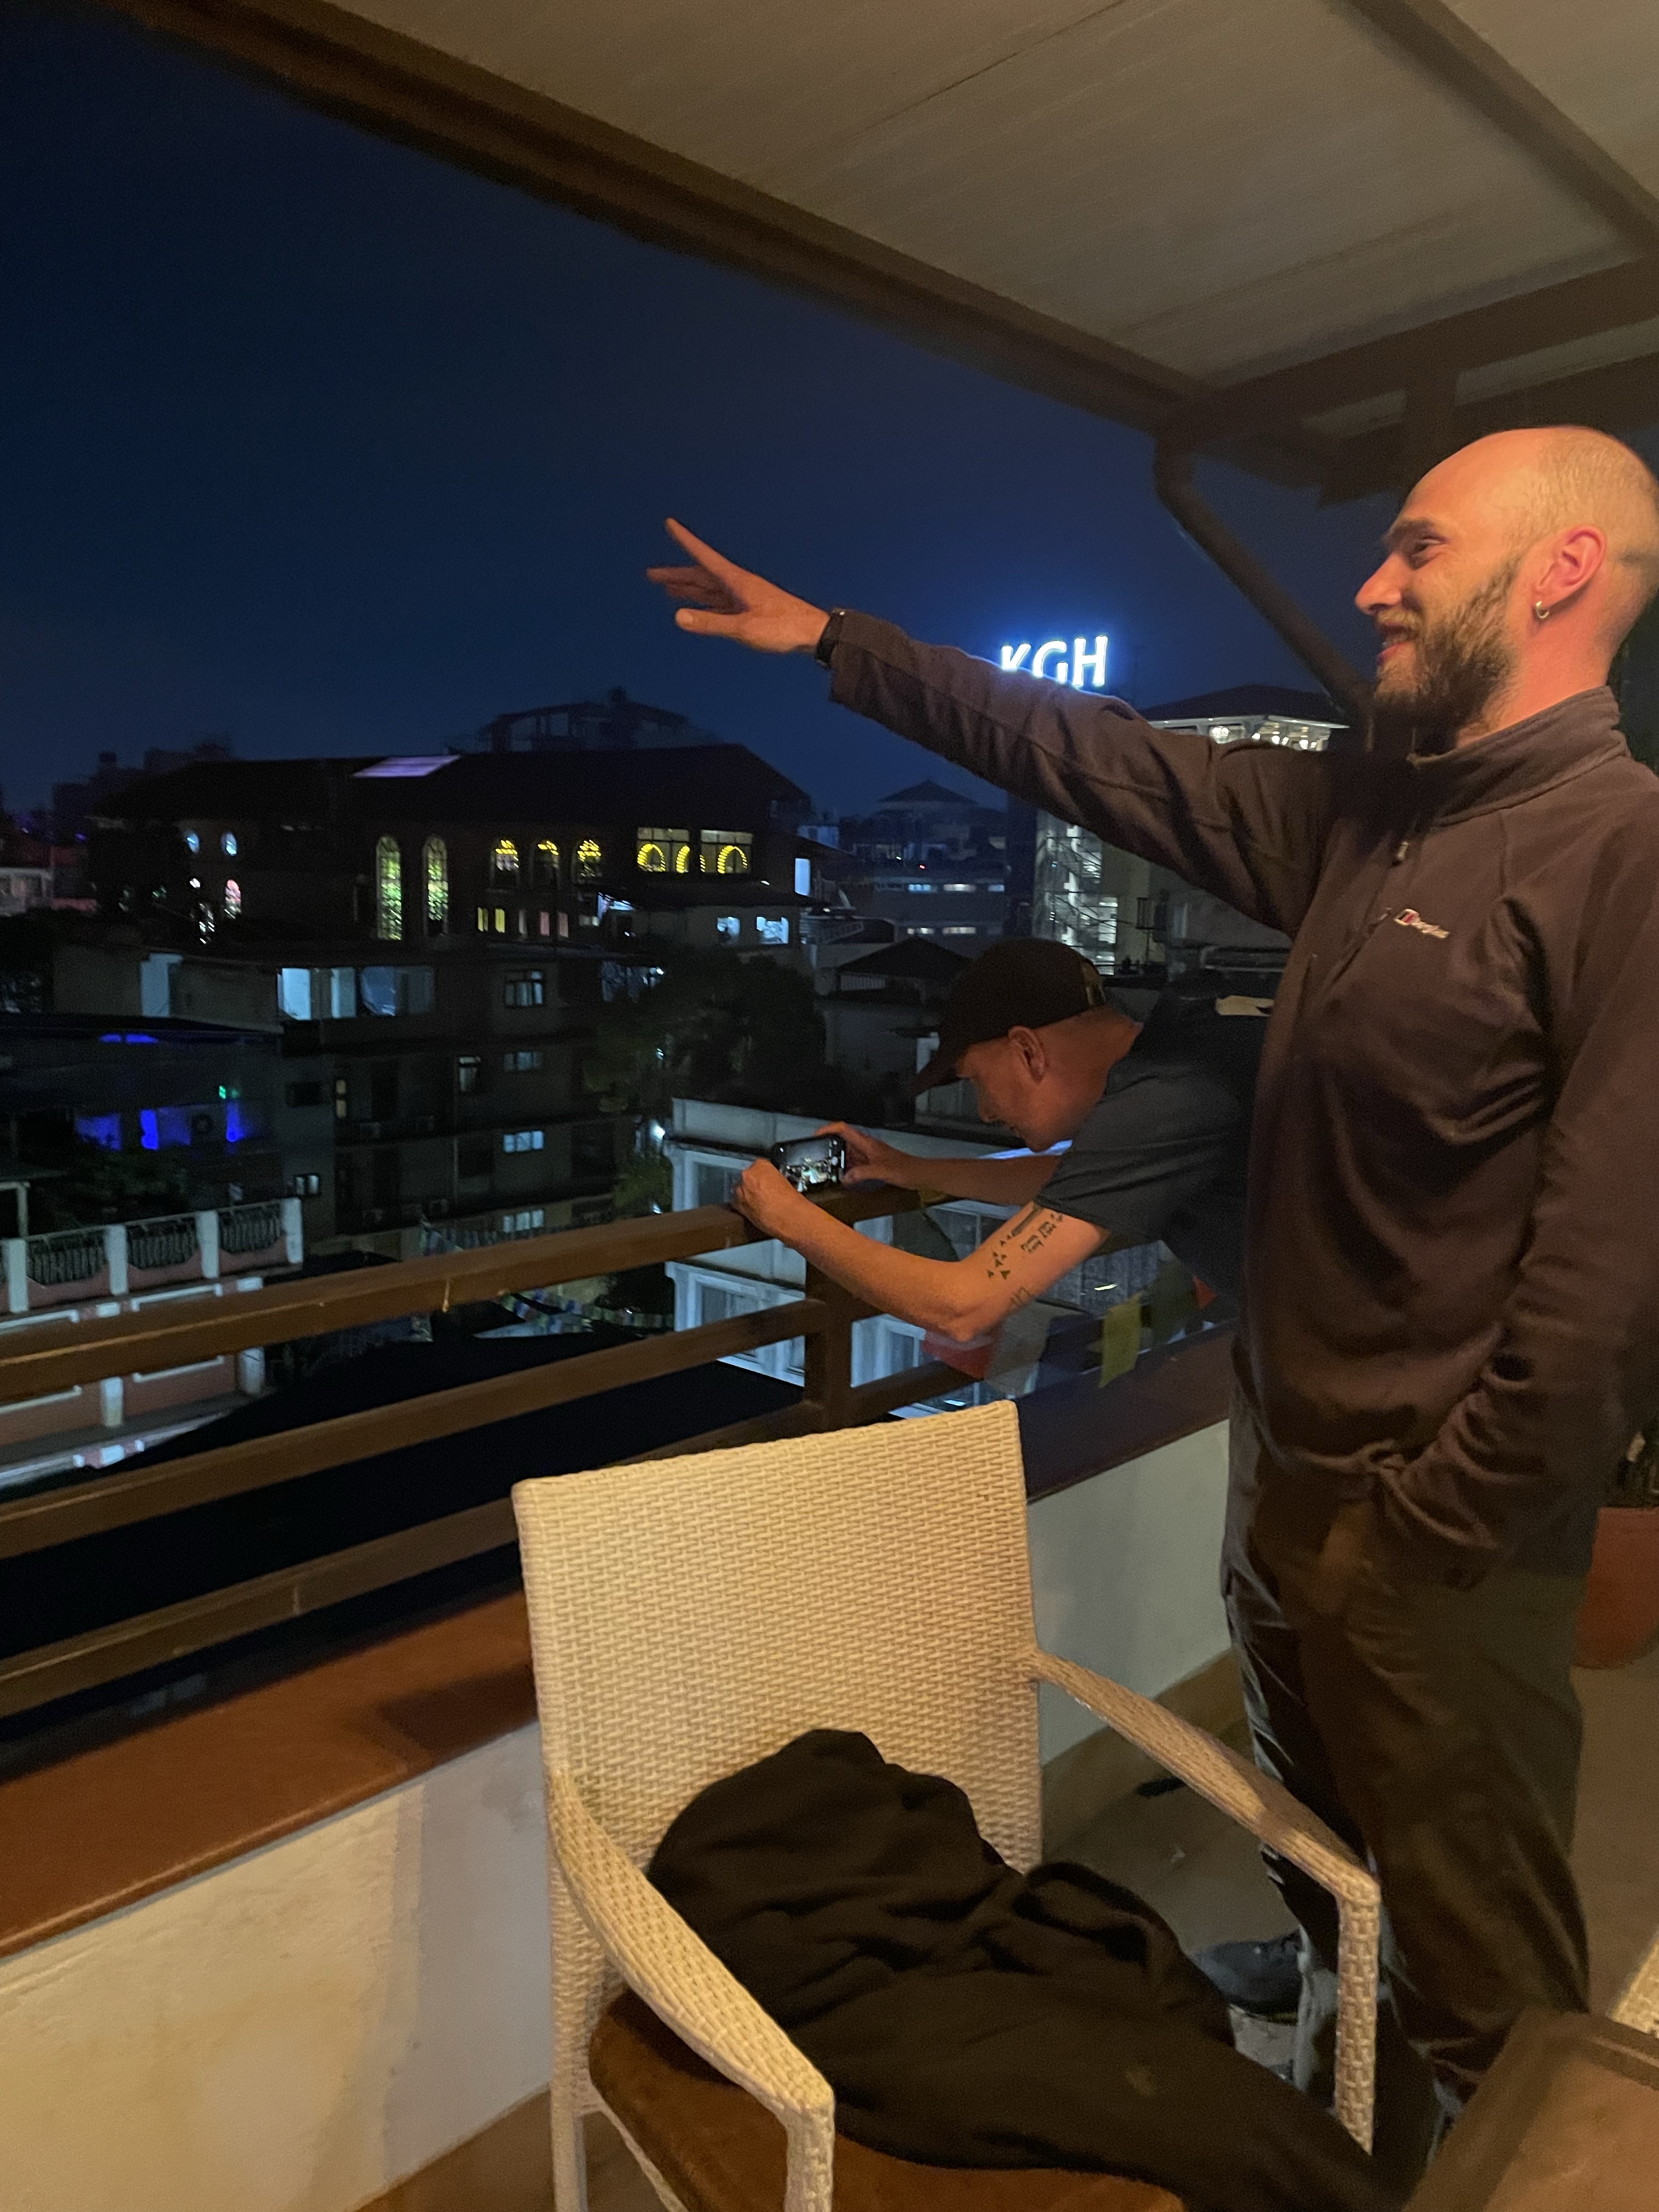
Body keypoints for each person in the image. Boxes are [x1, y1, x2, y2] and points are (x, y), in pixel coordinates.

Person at [648, 425, 1659, 2188]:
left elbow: (1603, 1286)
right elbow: (1089, 754)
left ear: (1561, 569)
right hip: (1291, 1484)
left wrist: (1427, 1532)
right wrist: (839, 644)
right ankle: (1360, 2168)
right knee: (1332, 1880)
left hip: (1435, 1545)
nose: (1374, 584)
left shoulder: (1620, 859)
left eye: (1420, 549)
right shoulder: (1370, 825)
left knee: (1491, 1994)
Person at [726, 936, 1269, 1352]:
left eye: (978, 1081)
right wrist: (912, 1170)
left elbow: (964, 1308)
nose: (985, 1110)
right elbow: (1080, 1182)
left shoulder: (1162, 1100)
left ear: (1027, 1050)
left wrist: (789, 1220)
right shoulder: (1192, 1032)